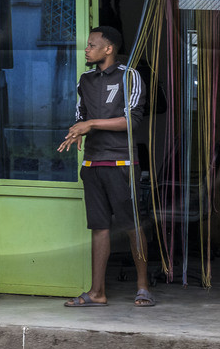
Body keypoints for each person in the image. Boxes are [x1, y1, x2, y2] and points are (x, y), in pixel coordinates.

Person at [57, 25, 152, 307]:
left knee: (132, 225)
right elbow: (80, 116)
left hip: (121, 162)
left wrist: (91, 124)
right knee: (99, 227)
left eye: (91, 45)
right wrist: (75, 131)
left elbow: (132, 121)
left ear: (108, 49)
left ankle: (143, 286)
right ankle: (97, 292)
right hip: (92, 163)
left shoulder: (130, 76)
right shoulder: (85, 80)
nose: (86, 49)